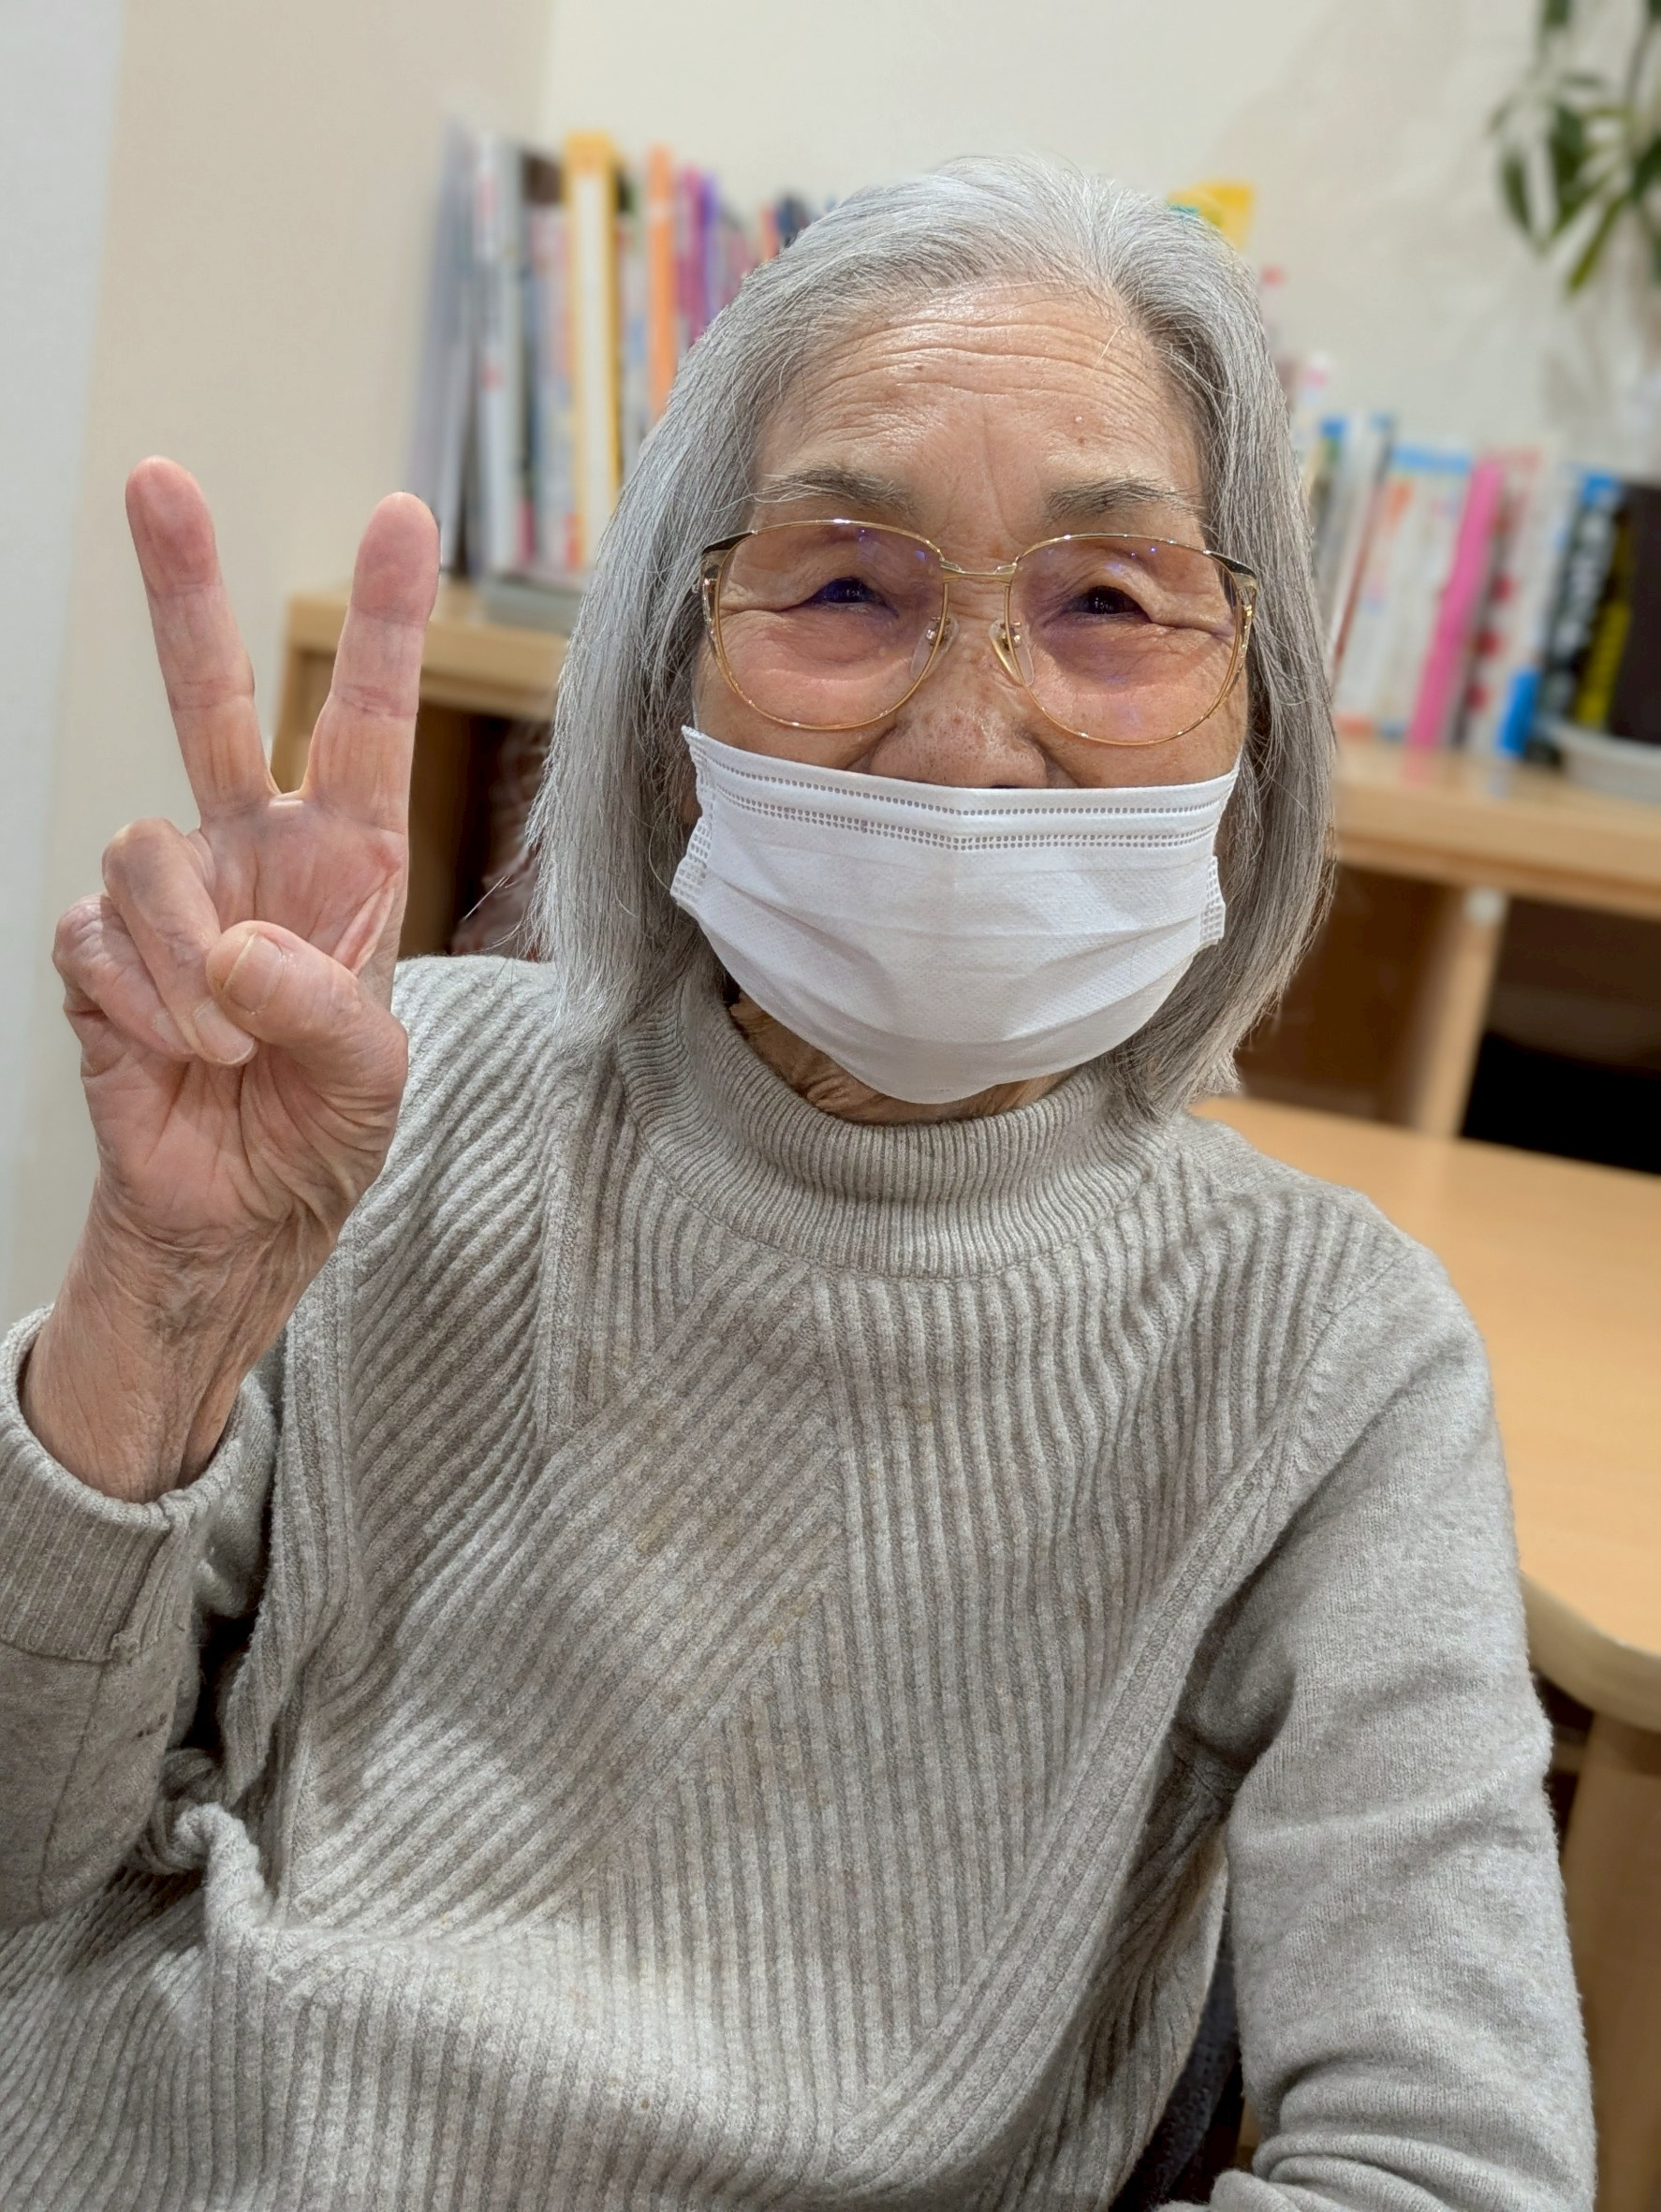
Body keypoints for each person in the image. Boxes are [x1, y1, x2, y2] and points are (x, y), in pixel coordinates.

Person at [0, 158, 1593, 2209]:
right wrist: (159, 1304)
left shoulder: (1325, 1359)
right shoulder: (389, 1099)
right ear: (671, 692)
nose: (966, 740)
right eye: (843, 589)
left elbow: (1451, 2168)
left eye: (1109, 605)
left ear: (1251, 715)